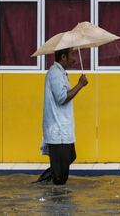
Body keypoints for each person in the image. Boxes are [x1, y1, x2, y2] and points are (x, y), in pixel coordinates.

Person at [36, 48, 88, 185]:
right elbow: (62, 98)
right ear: (63, 57)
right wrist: (80, 85)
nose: (75, 58)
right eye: (72, 55)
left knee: (70, 157)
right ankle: (52, 196)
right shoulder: (55, 74)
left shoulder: (62, 73)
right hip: (58, 131)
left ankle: (45, 183)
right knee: (60, 175)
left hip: (63, 130)